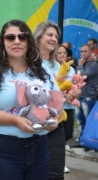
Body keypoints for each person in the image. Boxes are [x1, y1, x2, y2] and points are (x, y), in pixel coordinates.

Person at [0, 19, 59, 180]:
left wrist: (54, 119)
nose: (17, 41)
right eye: (10, 37)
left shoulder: (41, 69)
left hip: (39, 146)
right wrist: (15, 120)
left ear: (28, 41)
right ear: (3, 42)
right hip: (2, 149)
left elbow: (55, 103)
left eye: (22, 37)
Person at [34, 21, 66, 180]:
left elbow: (61, 93)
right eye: (50, 35)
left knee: (56, 173)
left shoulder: (58, 66)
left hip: (56, 124)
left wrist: (70, 93)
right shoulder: (29, 63)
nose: (54, 39)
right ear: (38, 36)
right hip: (34, 125)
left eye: (56, 36)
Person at [55, 45, 76, 173]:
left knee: (68, 134)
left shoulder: (71, 69)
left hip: (70, 105)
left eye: (64, 53)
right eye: (59, 53)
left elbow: (75, 84)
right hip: (58, 107)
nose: (62, 55)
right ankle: (60, 163)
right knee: (59, 137)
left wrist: (74, 92)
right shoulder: (54, 68)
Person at [76, 44, 98, 142]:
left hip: (89, 97)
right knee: (80, 121)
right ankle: (82, 140)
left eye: (85, 51)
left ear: (90, 52)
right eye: (81, 51)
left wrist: (80, 66)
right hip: (79, 96)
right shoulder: (81, 64)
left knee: (88, 121)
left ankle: (88, 141)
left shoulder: (94, 65)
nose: (83, 53)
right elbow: (76, 79)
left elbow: (82, 77)